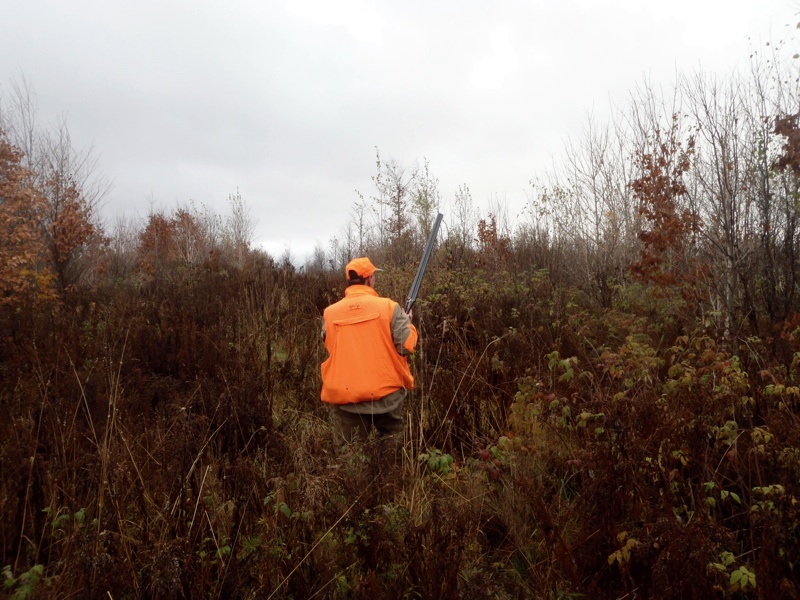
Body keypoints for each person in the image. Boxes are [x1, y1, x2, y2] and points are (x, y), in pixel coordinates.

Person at [321, 257, 417, 446]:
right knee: (391, 448)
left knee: (349, 457)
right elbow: (406, 346)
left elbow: (329, 343)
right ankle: (389, 474)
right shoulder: (389, 307)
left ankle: (355, 476)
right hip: (386, 397)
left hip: (347, 399)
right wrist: (407, 323)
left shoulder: (330, 313)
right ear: (370, 279)